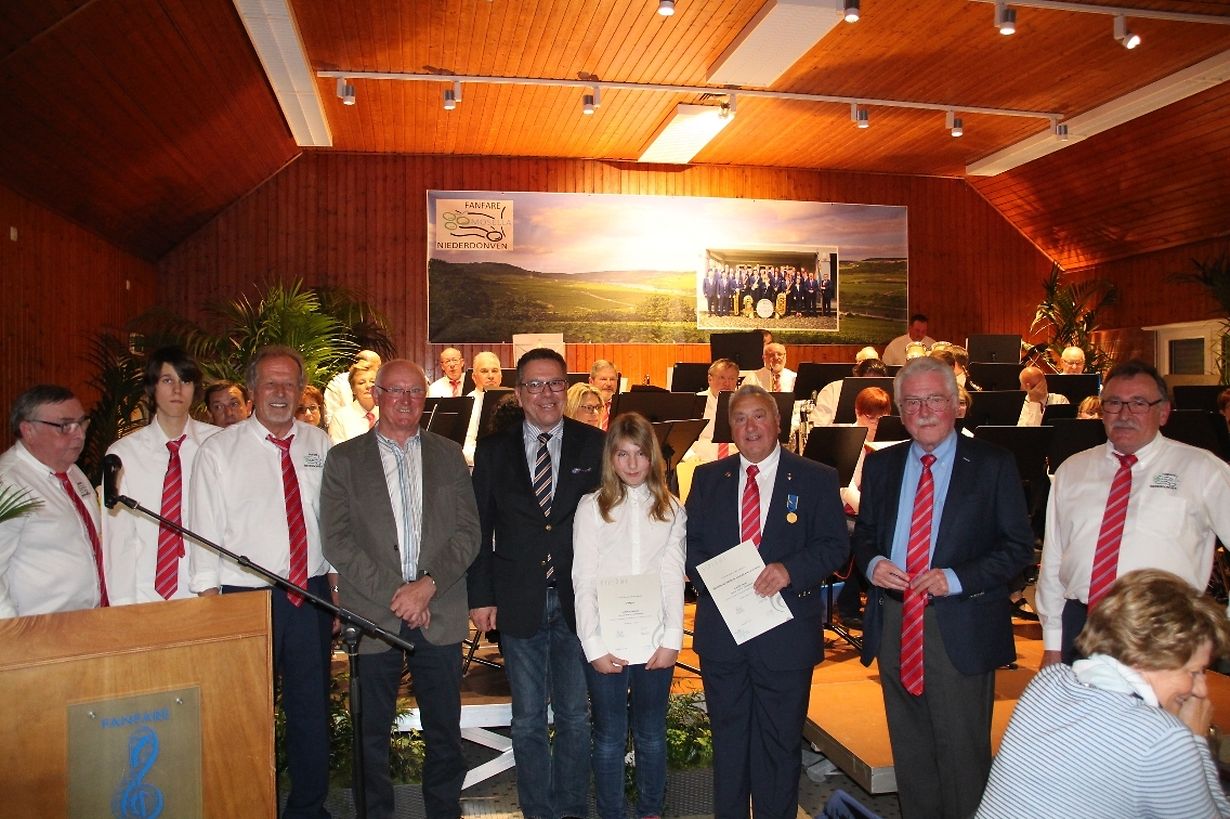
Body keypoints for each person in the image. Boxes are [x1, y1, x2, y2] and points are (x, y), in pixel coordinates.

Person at [853, 356, 1034, 819]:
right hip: (894, 619)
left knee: (962, 754)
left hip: (958, 623)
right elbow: (866, 534)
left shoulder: (992, 464)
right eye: (912, 402)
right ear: (899, 410)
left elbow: (1017, 548)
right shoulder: (883, 465)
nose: (924, 411)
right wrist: (872, 563)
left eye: (934, 399)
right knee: (910, 749)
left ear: (956, 404)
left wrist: (956, 578)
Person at [320, 359, 480, 819]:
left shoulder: (449, 455)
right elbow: (337, 540)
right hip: (374, 614)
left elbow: (468, 533)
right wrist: (401, 594)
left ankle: (444, 811)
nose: (406, 400)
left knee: (444, 732)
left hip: (439, 610)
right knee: (370, 734)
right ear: (377, 395)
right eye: (396, 390)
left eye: (414, 391)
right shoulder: (344, 459)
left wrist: (427, 587)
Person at [685, 385, 848, 819]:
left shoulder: (816, 477)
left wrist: (790, 570)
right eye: (740, 418)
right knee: (728, 744)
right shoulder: (708, 479)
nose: (750, 426)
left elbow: (835, 545)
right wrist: (718, 581)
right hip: (724, 636)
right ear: (730, 427)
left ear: (778, 423)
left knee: (779, 746)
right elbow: (690, 545)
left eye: (759, 416)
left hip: (786, 636)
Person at [189, 345, 336, 819]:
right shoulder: (219, 450)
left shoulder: (319, 443)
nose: (280, 392)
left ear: (300, 390)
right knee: (247, 713)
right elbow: (202, 527)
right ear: (252, 389)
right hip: (244, 596)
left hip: (310, 594)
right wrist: (210, 601)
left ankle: (308, 809)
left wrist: (335, 584)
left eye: (289, 383)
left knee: (310, 708)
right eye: (270, 383)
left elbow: (330, 521)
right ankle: (250, 806)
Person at [468, 348, 605, 819]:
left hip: (577, 600)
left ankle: (571, 809)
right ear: (519, 392)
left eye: (554, 383)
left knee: (574, 715)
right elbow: (479, 527)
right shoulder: (493, 449)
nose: (546, 393)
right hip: (517, 598)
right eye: (534, 384)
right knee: (526, 719)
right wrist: (481, 597)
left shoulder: (594, 443)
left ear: (566, 388)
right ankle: (538, 810)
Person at [976, 569, 1230, 819]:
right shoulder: (1162, 738)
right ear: (1146, 660)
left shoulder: (1048, 682)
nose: (1201, 689)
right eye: (1194, 672)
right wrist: (1195, 741)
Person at [1036, 359, 1230, 666]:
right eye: (1114, 403)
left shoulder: (1202, 469)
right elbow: (1054, 560)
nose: (1124, 414)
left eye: (1139, 403)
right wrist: (1052, 641)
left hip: (1162, 630)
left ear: (1163, 412)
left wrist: (1217, 626)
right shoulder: (1073, 470)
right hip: (1080, 626)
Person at [572, 412, 687, 819]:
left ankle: (651, 810)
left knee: (651, 733)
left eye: (640, 453)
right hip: (608, 640)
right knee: (608, 735)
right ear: (611, 458)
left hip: (655, 641)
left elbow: (673, 576)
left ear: (653, 456)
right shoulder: (592, 508)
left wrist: (672, 639)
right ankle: (612, 812)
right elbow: (583, 579)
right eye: (623, 454)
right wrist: (594, 645)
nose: (633, 463)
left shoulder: (671, 508)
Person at [102, 346, 221, 605]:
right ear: (152, 387)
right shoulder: (123, 453)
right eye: (168, 380)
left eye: (185, 381)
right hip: (145, 595)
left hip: (208, 592)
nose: (177, 390)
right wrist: (122, 607)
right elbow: (118, 540)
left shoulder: (217, 445)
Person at [0, 385, 104, 617]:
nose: (80, 435)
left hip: (88, 621)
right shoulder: (7, 484)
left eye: (81, 423)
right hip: (38, 628)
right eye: (65, 426)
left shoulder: (73, 472)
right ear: (28, 430)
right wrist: (11, 631)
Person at [685, 358, 740, 463]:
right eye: (722, 378)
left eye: (731, 378)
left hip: (736, 464)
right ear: (710, 379)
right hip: (700, 462)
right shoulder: (694, 402)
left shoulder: (744, 404)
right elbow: (681, 438)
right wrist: (690, 458)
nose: (727, 383)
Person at [811, 354, 886, 427]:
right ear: (856, 377)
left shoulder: (885, 396)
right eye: (866, 383)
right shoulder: (833, 390)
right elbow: (818, 425)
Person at [460, 350, 505, 465]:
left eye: (494, 371)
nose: (490, 376)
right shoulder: (468, 403)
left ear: (501, 376)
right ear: (474, 377)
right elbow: (465, 445)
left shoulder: (514, 400)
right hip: (478, 465)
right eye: (484, 371)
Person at [328, 359, 379, 443]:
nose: (368, 386)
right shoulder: (340, 417)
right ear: (353, 389)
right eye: (361, 383)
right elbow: (338, 449)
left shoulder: (389, 413)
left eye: (372, 381)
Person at [324, 349, 382, 423]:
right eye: (370, 365)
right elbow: (330, 417)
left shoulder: (381, 381)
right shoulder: (337, 383)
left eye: (379, 366)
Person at [590, 359, 619, 431]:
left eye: (612, 379)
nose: (609, 384)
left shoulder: (623, 408)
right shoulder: (582, 407)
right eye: (603, 379)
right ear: (591, 382)